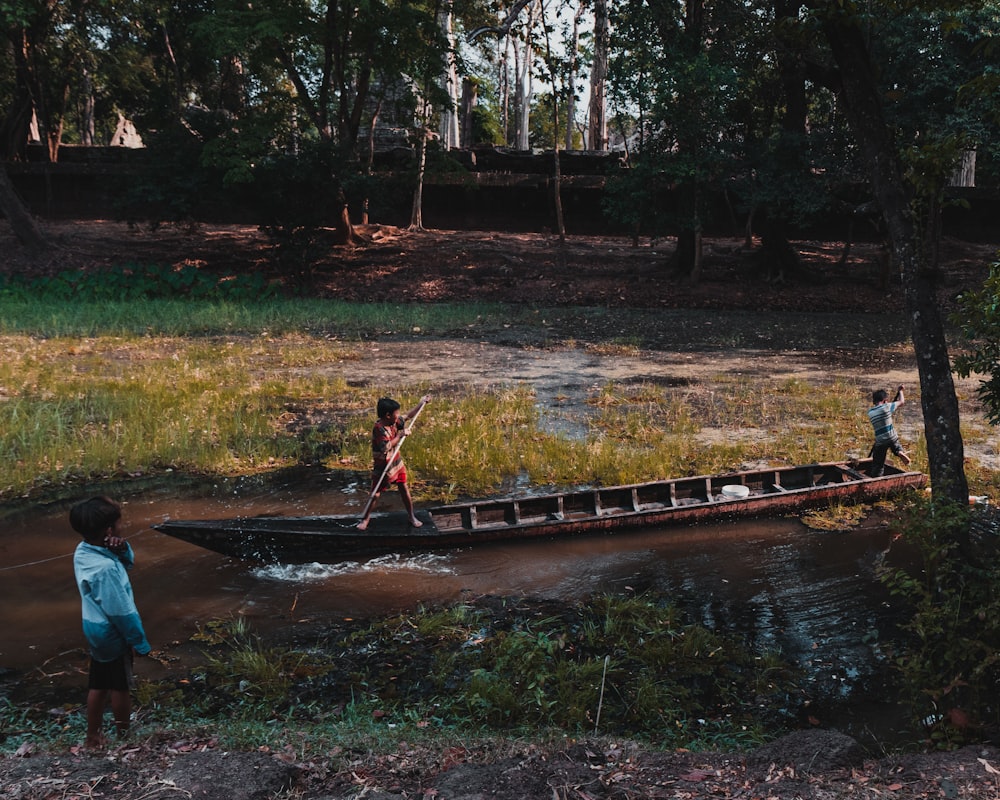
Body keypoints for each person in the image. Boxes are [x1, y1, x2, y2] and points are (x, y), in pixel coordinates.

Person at [70, 496, 151, 749]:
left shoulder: (83, 551)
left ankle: (93, 736)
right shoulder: (105, 569)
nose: (122, 526)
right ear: (109, 530)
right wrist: (138, 640)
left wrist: (119, 548)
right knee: (120, 686)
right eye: (119, 523)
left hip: (94, 629)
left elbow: (128, 561)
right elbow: (121, 611)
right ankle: (124, 737)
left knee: (99, 682)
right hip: (111, 632)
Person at [357, 395, 430, 530]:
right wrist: (400, 435)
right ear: (387, 415)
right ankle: (365, 519)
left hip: (396, 462)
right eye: (396, 413)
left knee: (404, 488)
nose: (398, 415)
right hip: (383, 465)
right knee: (375, 494)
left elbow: (408, 415)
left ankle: (411, 516)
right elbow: (386, 447)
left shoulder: (394, 422)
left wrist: (421, 403)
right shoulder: (379, 428)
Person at [867, 385, 911, 477]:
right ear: (884, 400)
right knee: (895, 443)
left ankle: (876, 477)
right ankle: (899, 452)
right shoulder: (887, 407)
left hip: (880, 441)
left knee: (878, 463)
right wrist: (900, 391)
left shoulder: (870, 413)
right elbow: (902, 402)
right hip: (892, 437)